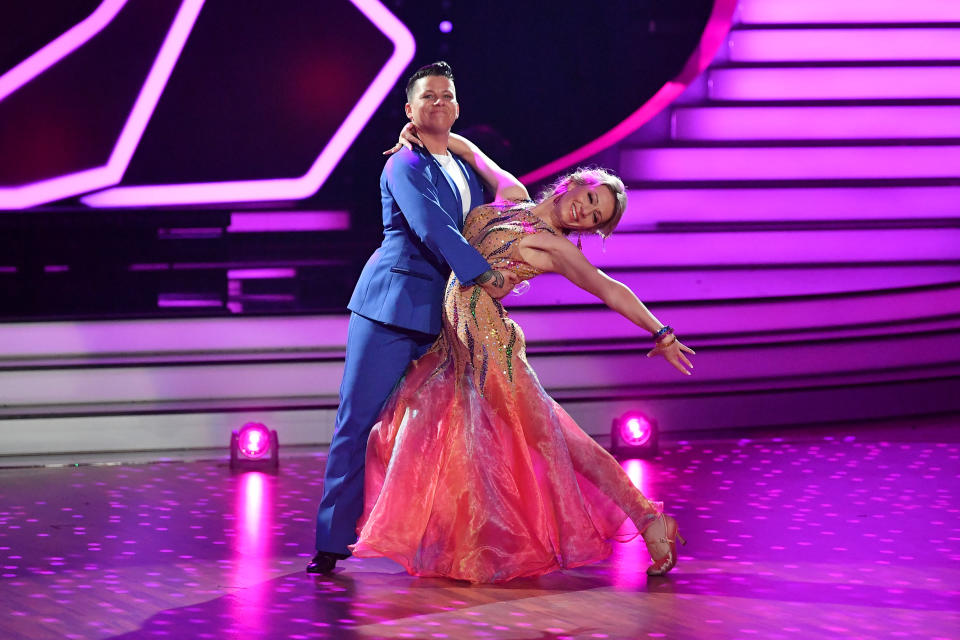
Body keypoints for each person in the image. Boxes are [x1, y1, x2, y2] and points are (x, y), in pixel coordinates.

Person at [348, 129, 695, 583]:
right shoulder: (511, 196)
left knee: (552, 441)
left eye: (595, 218)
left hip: (490, 347)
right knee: (462, 439)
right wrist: (420, 133)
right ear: (577, 183)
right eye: (591, 200)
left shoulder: (554, 248)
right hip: (456, 344)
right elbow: (471, 151)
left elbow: (608, 288)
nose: (586, 213)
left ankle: (648, 520)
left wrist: (661, 330)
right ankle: (465, 545)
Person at [307, 62, 520, 575]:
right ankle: (332, 541)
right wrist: (485, 276)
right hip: (392, 308)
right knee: (356, 423)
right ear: (409, 109)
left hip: (445, 317)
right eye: (427, 97)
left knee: (440, 434)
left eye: (447, 96)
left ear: (458, 107)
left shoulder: (464, 168)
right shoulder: (403, 164)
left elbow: (511, 192)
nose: (438, 103)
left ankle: (438, 542)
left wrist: (469, 148)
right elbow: (433, 228)